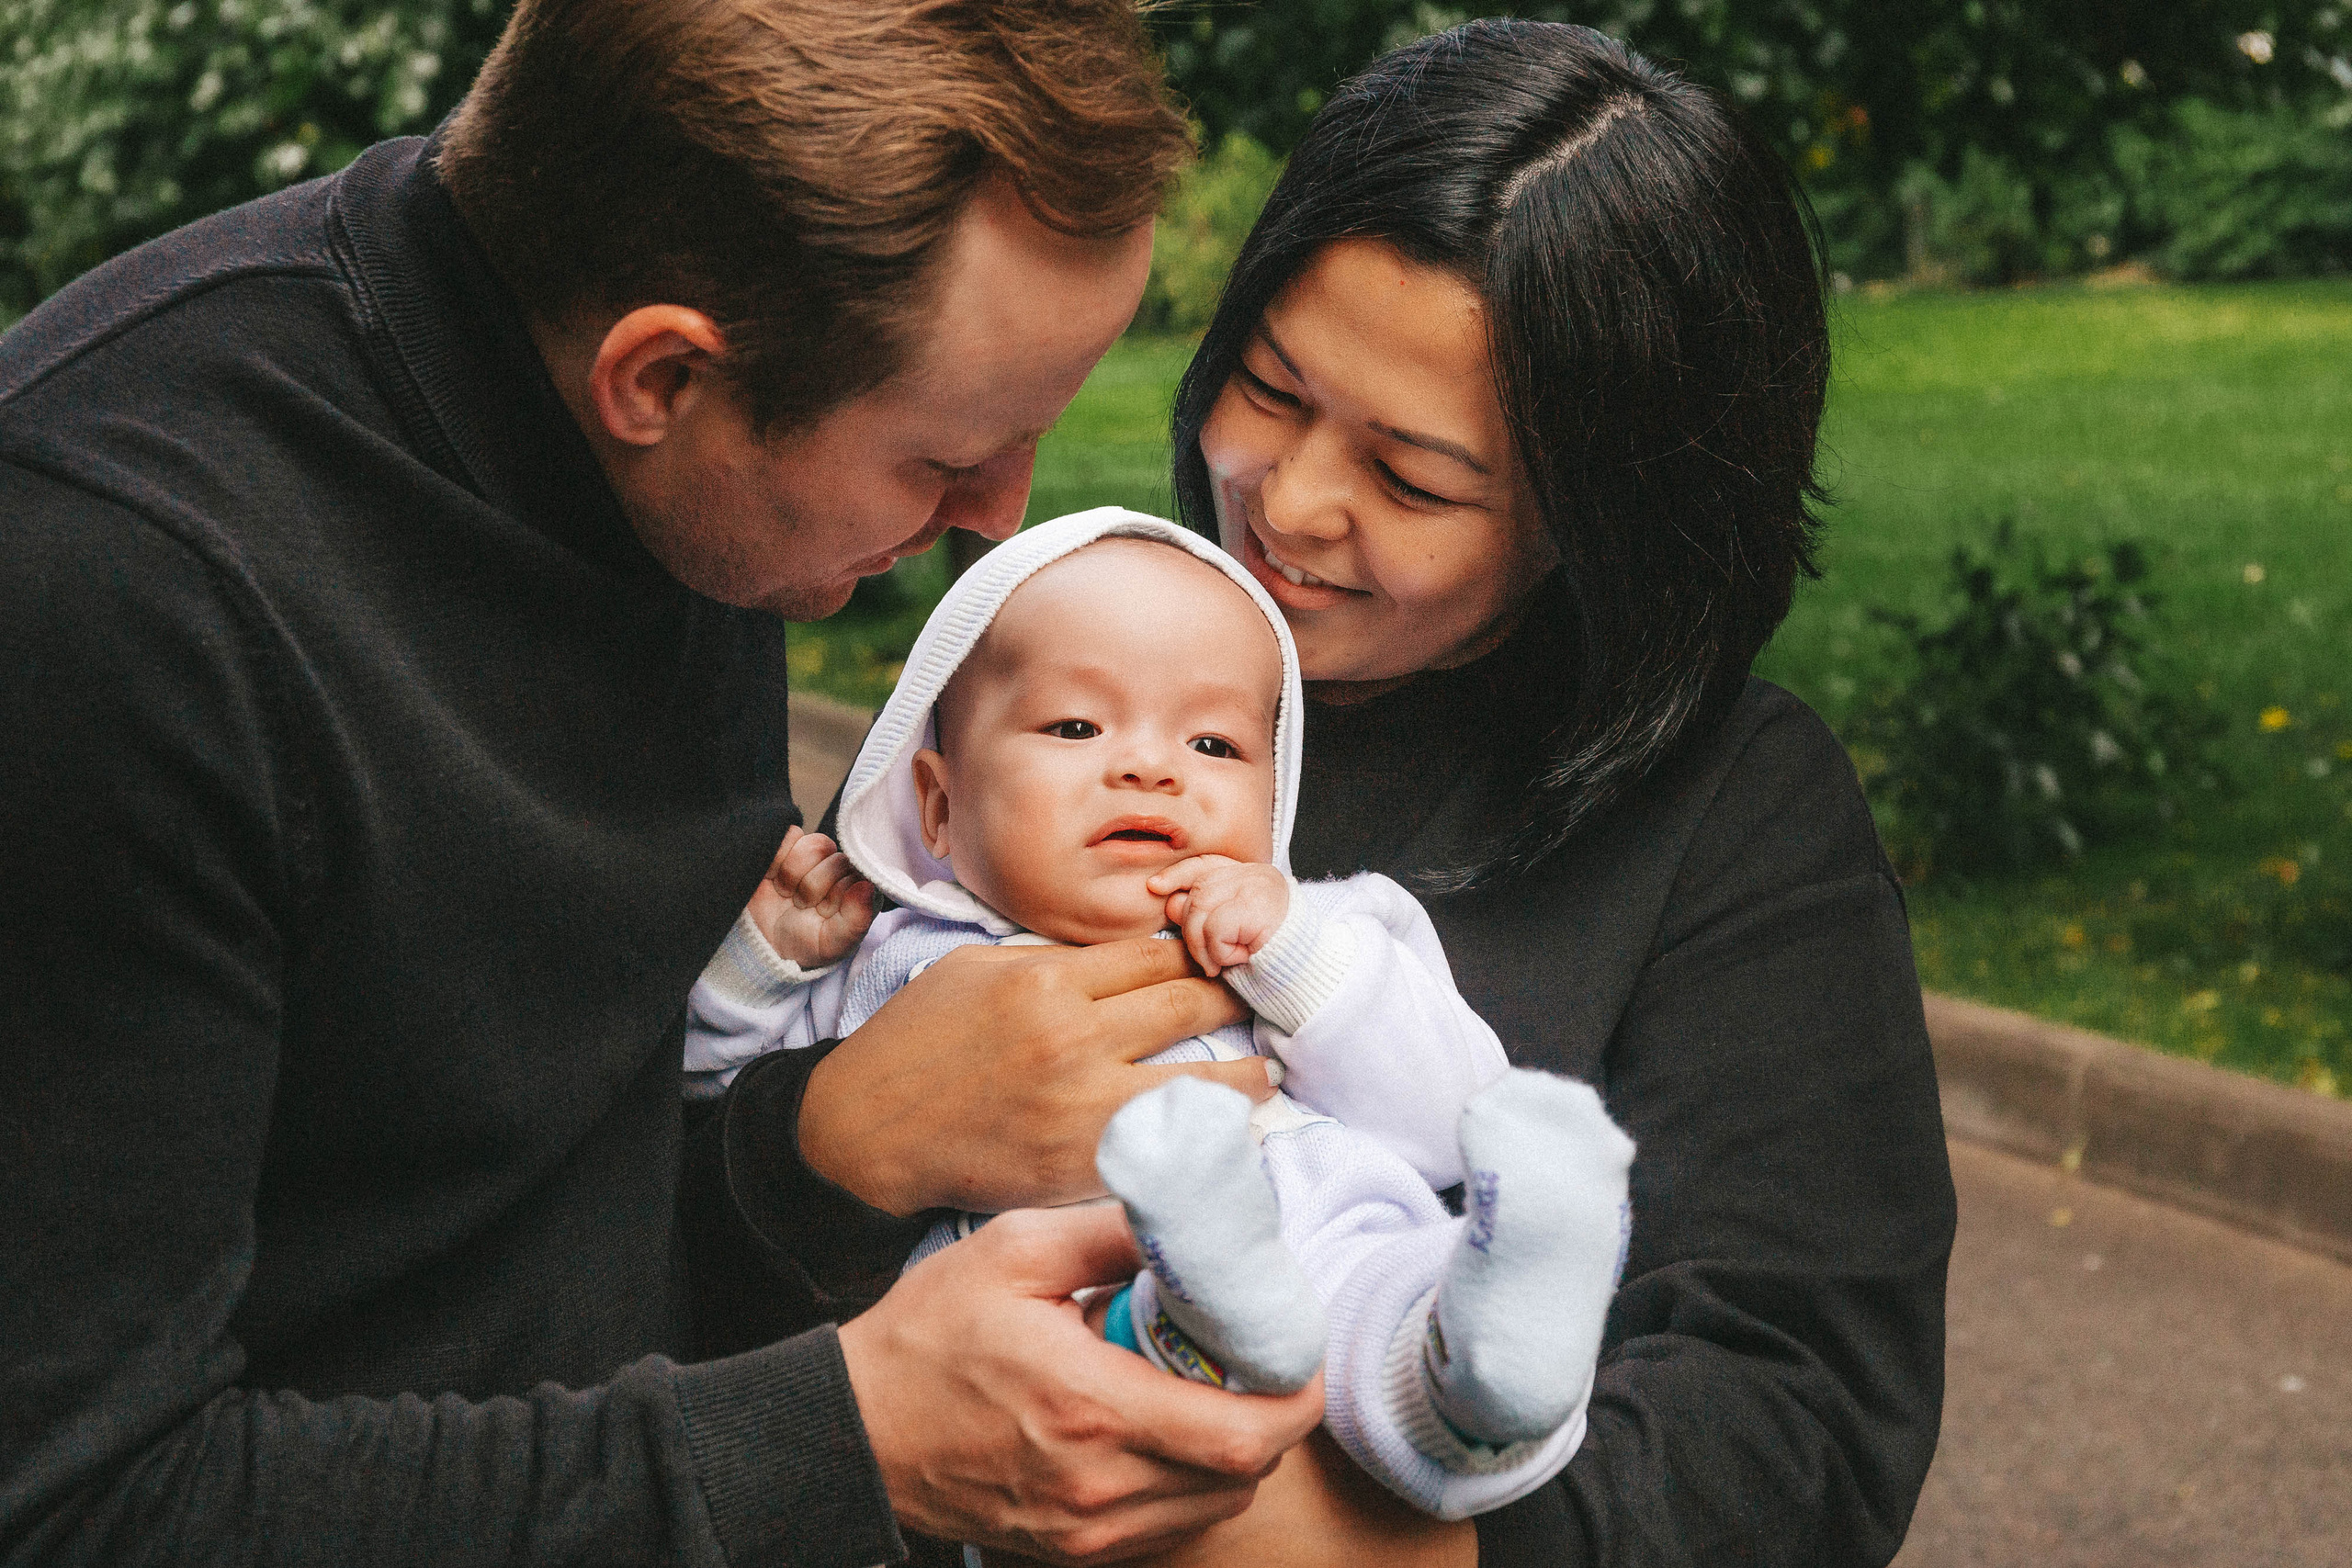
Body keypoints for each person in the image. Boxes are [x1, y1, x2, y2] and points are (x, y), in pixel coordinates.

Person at [0, 4, 1325, 1565]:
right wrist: (848, 1441)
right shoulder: (120, 604)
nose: (998, 513)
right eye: (942, 455)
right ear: (664, 374)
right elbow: (81, 1500)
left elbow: (565, 1183)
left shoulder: (685, 465)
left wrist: (827, 1146)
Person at [728, 20, 1958, 1567]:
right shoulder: (1060, 664)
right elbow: (666, 1262)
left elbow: (1800, 1429)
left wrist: (1273, 1538)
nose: (1291, 501)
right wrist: (836, 1140)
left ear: (1597, 518)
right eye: (1269, 385)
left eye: (1415, 478)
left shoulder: (1736, 815)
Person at [687, 510, 1638, 1524]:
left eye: (1214, 742)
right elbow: (719, 1090)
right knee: (1090, 1351)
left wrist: (1293, 956)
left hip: (1322, 1239)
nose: (1150, 767)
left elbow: (1447, 1113)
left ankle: (1496, 1354)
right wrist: (766, 961)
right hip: (1046, 1332)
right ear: (938, 805)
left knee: (1391, 1307)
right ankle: (1206, 1307)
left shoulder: (1320, 929)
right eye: (1076, 727)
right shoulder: (888, 957)